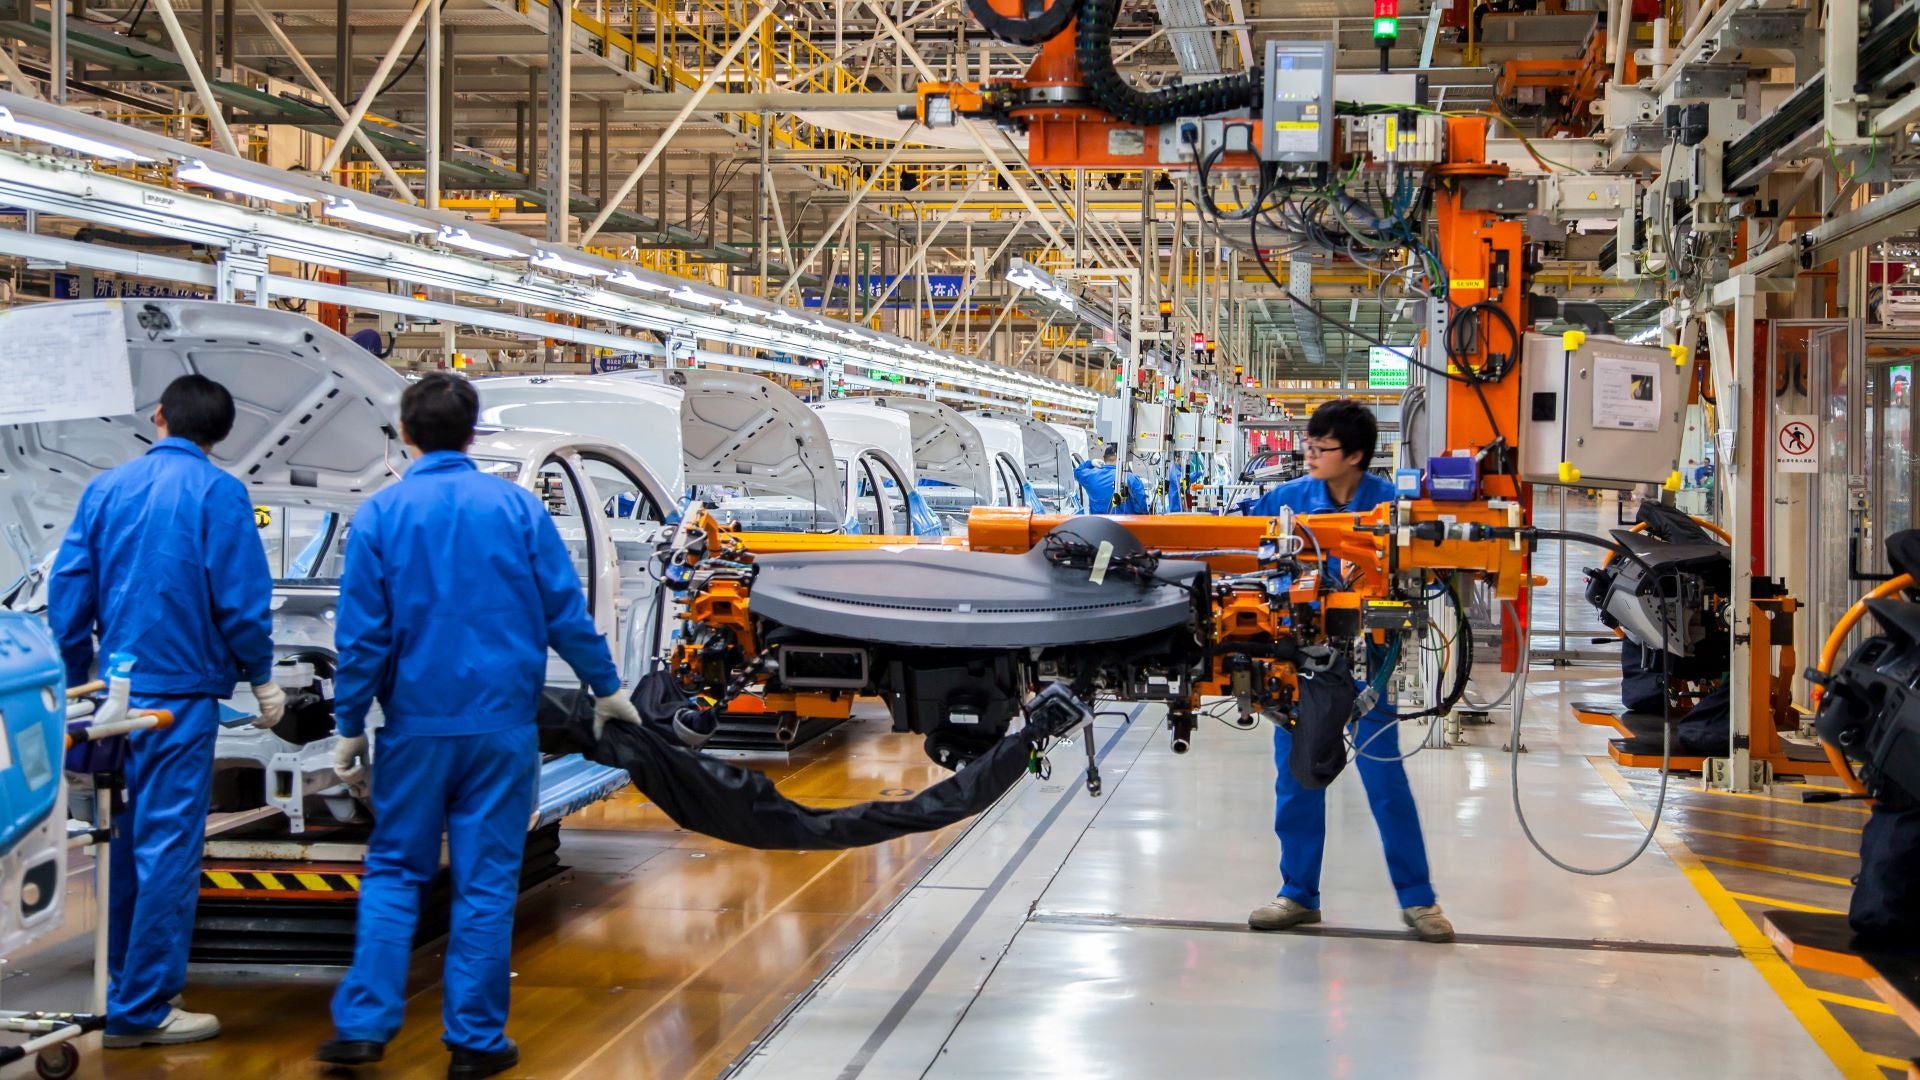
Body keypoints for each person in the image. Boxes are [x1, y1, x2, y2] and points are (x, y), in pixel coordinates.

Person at [317, 374, 641, 1079]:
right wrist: (608, 687)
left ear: (405, 433)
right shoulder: (517, 510)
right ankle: (474, 1042)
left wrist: (348, 724)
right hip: (501, 731)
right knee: (486, 881)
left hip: (412, 731)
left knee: (395, 873)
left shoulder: (380, 515)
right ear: (472, 434)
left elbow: (362, 637)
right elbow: (564, 611)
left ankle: (365, 1026)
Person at [49, 374, 287, 1047]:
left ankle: (125, 985)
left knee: (118, 842)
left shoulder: (105, 488)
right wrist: (263, 677)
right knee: (166, 847)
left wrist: (77, 681)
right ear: (219, 436)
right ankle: (143, 1008)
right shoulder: (220, 492)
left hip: (113, 701)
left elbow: (68, 595)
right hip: (180, 702)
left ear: (157, 417)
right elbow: (240, 602)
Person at [1241, 399, 1454, 944]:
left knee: (1386, 782)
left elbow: (1427, 567)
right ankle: (1297, 894)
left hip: (1368, 667)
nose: (1310, 454)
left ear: (1355, 455)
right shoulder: (1287, 501)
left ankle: (1419, 901)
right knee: (1296, 779)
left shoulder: (1390, 507)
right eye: (1307, 444)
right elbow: (1235, 545)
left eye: (1322, 447)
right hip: (1303, 670)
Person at [1074, 443, 1151, 514]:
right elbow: (1141, 509)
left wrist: (1091, 463)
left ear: (1104, 458)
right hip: (1124, 527)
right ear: (1122, 458)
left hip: (1097, 526)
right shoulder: (1131, 478)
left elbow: (1077, 472)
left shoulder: (1091, 476)